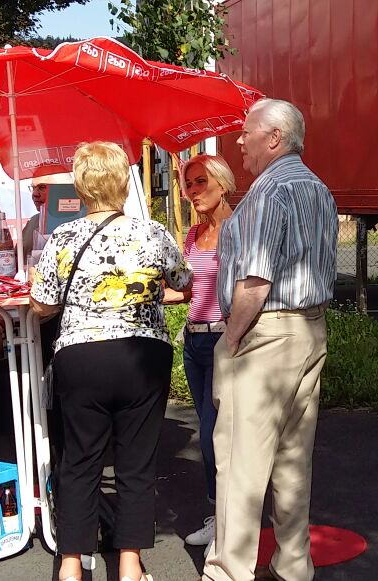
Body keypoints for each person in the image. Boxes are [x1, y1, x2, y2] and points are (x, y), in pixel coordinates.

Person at [30, 141, 192, 581]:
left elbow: (42, 304)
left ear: (81, 188)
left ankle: (68, 566)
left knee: (79, 462)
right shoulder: (152, 233)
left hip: (82, 357)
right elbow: (183, 282)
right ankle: (129, 565)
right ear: (124, 182)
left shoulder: (61, 238)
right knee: (136, 465)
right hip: (142, 355)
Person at [202, 99, 338, 581]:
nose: (239, 141)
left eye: (246, 133)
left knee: (241, 460)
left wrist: (230, 340)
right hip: (308, 330)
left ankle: (227, 570)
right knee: (292, 461)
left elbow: (255, 282)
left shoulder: (269, 192)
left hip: (266, 334)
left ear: (274, 138)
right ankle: (293, 564)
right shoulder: (317, 188)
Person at [163, 154, 235, 547]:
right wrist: (145, 294)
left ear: (222, 183)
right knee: (211, 432)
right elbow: (188, 291)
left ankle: (228, 523)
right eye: (188, 184)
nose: (192, 192)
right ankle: (220, 516)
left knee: (212, 435)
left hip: (227, 340)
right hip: (195, 340)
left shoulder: (239, 231)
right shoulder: (193, 235)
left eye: (200, 182)